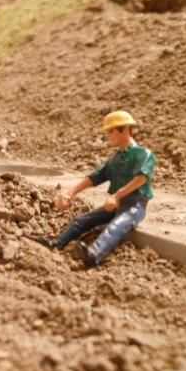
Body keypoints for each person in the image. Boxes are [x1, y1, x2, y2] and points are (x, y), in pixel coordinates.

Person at [41, 111, 156, 267]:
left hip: (134, 206)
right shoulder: (114, 160)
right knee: (80, 220)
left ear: (125, 129)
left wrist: (117, 196)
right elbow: (94, 177)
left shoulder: (144, 154)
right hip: (115, 205)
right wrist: (69, 193)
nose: (108, 136)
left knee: (116, 226)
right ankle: (57, 243)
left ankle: (93, 254)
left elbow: (142, 178)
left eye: (111, 131)